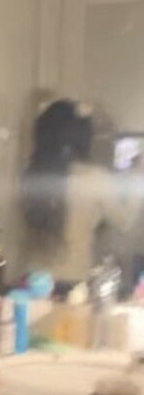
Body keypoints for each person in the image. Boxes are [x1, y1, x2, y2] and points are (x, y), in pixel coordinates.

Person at [19, 98, 141, 285]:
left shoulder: (31, 173)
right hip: (72, 280)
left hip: (32, 279)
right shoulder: (94, 178)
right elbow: (124, 222)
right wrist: (138, 174)